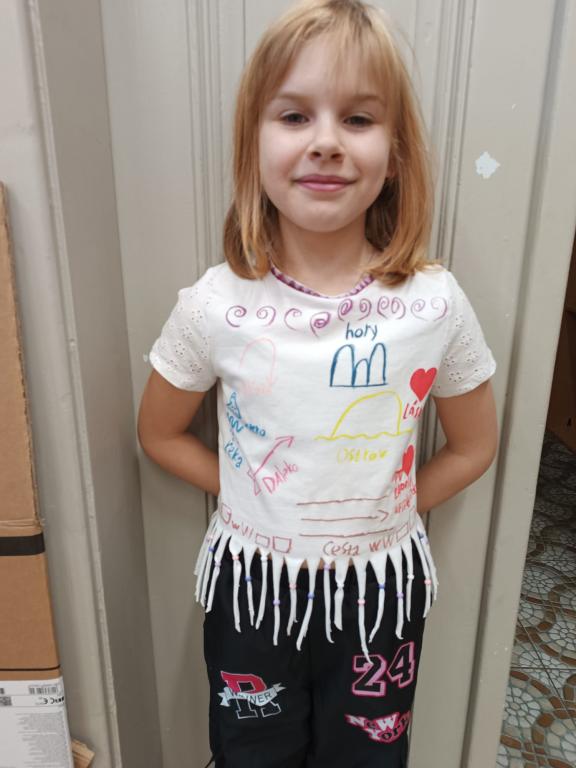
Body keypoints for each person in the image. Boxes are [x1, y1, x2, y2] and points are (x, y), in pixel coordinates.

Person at [137, 0, 499, 765]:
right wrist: (259, 498)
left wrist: (379, 509)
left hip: (380, 596)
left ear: (395, 155)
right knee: (252, 754)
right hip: (253, 592)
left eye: (358, 119)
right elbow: (159, 433)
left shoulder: (434, 303)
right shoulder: (214, 305)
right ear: (254, 146)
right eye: (295, 116)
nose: (327, 142)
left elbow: (474, 446)